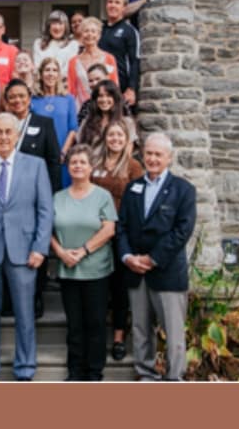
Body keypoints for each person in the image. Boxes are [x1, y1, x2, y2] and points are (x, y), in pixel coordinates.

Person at [0, 113, 53, 381]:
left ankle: (25, 368)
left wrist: (40, 248)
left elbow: (45, 210)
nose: (4, 137)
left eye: (9, 132)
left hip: (24, 250)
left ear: (17, 135)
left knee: (25, 314)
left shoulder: (36, 165)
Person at [116, 132, 196, 381]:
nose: (152, 159)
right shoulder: (133, 188)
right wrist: (128, 256)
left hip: (167, 272)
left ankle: (174, 379)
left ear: (169, 158)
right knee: (141, 330)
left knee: (173, 335)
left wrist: (152, 259)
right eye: (148, 153)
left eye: (158, 154)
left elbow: (182, 231)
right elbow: (122, 227)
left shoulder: (183, 190)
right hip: (135, 272)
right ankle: (145, 375)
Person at [50, 144, 117, 381]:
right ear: (68, 167)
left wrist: (83, 250)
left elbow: (109, 229)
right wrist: (60, 253)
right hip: (68, 270)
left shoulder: (102, 196)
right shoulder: (58, 197)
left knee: (96, 323)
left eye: (82, 162)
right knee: (74, 325)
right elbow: (49, 230)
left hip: (96, 270)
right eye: (73, 162)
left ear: (91, 167)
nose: (77, 166)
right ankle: (75, 370)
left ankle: (94, 371)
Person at [3, 79, 61, 319]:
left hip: (35, 197)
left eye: (21, 96)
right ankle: (8, 300)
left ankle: (36, 297)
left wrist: (52, 195)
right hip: (7, 197)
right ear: (7, 101)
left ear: (29, 98)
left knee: (36, 246)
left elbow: (53, 161)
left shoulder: (43, 123)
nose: (17, 100)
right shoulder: (3, 124)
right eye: (12, 97)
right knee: (8, 248)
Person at [89, 119, 145, 361]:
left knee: (119, 287)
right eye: (111, 135)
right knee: (99, 286)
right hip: (97, 232)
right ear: (105, 138)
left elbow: (138, 203)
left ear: (126, 140)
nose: (115, 140)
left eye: (119, 136)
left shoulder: (133, 167)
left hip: (122, 233)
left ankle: (119, 336)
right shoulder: (95, 163)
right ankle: (96, 336)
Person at [30, 57, 78, 186]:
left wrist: (62, 153)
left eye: (54, 70)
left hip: (62, 154)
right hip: (40, 155)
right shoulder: (33, 100)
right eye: (47, 70)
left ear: (59, 74)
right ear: (41, 74)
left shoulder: (68, 99)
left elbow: (73, 129)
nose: (51, 74)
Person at [99, 0, 141, 108]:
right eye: (110, 2)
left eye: (117, 2)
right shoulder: (98, 29)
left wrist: (131, 89)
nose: (112, 5)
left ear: (124, 7)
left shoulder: (130, 31)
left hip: (119, 90)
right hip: (98, 87)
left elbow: (134, 61)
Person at [67, 17, 119, 107]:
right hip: (81, 107)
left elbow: (114, 86)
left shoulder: (109, 58)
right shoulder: (73, 62)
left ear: (99, 35)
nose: (89, 34)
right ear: (81, 35)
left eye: (93, 31)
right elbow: (71, 90)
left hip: (104, 106)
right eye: (86, 31)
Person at [76, 79, 138, 155]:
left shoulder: (127, 123)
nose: (104, 100)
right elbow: (80, 150)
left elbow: (128, 153)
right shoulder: (86, 123)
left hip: (117, 166)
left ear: (115, 98)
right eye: (100, 96)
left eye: (108, 96)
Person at [33, 10, 79, 89]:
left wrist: (54, 80)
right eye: (54, 23)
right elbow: (37, 66)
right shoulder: (38, 43)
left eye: (60, 23)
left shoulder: (73, 44)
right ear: (48, 26)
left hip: (64, 87)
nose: (57, 27)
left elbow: (68, 68)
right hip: (42, 86)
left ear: (66, 26)